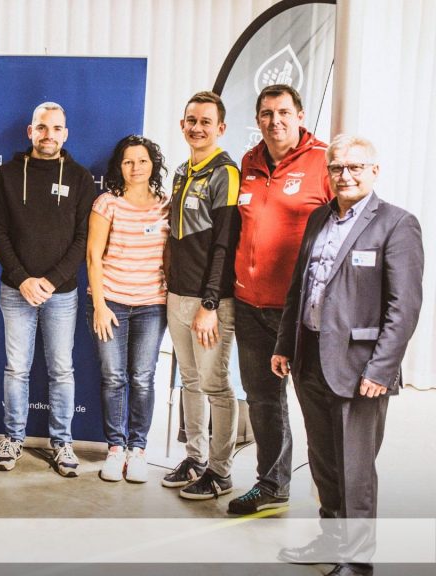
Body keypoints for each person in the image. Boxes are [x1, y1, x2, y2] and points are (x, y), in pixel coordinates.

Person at [272, 135, 423, 576]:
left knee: (355, 467)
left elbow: (404, 307)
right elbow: (300, 289)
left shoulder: (397, 224)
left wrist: (382, 368)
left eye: (356, 167)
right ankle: (330, 539)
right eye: (337, 167)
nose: (346, 175)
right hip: (311, 358)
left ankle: (357, 562)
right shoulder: (319, 217)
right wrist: (286, 344)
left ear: (375, 171)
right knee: (323, 460)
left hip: (361, 370)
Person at [227, 84, 332, 515]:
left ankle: (335, 503)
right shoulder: (249, 162)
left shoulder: (324, 162)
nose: (276, 121)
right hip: (251, 306)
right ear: (258, 120)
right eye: (267, 113)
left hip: (302, 313)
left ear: (301, 115)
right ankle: (271, 485)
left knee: (317, 407)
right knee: (263, 400)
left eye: (284, 112)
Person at [0, 102, 96, 477]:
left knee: (61, 370)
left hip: (61, 293)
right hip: (15, 291)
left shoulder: (81, 178)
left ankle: (62, 442)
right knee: (16, 369)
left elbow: (83, 238)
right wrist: (23, 279)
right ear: (30, 132)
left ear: (65, 134)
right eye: (42, 127)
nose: (49, 134)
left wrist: (50, 281)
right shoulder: (6, 174)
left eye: (56, 128)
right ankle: (13, 438)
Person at [161, 91, 241, 500]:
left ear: (220, 128)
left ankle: (221, 470)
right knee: (189, 381)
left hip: (210, 303)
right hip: (177, 296)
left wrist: (210, 304)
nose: (197, 127)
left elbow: (224, 245)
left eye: (206, 121)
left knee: (215, 385)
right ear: (182, 124)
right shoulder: (180, 171)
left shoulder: (225, 172)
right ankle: (194, 457)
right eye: (191, 120)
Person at [85, 135, 170, 483]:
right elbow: (93, 256)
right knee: (113, 377)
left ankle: (138, 449)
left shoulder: (166, 204)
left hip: (152, 305)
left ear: (153, 164)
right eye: (128, 162)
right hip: (114, 302)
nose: (135, 168)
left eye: (142, 161)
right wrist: (100, 306)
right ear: (119, 167)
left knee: (143, 378)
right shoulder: (107, 203)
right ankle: (115, 448)